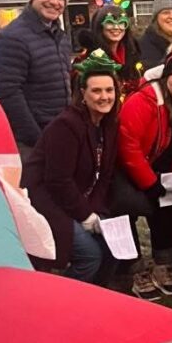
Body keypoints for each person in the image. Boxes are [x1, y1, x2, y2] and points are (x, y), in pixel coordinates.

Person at [21, 50, 120, 283]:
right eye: (96, 90)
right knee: (89, 255)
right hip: (46, 202)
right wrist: (85, 216)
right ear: (82, 94)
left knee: (114, 246)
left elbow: (104, 175)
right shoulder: (66, 126)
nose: (104, 96)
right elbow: (58, 180)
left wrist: (95, 212)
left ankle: (98, 298)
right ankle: (63, 301)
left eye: (109, 90)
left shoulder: (109, 125)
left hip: (79, 202)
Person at [116, 47, 172, 299]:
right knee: (129, 207)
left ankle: (163, 265)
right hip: (125, 170)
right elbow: (128, 145)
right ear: (166, 77)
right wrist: (148, 182)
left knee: (167, 208)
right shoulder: (142, 101)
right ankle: (134, 268)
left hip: (162, 170)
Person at [0, 0, 73, 150]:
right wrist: (37, 139)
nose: (54, 1)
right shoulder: (12, 38)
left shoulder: (59, 36)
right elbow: (8, 94)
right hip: (30, 141)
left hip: (60, 131)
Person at [74, 0, 143, 97]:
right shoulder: (89, 58)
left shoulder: (133, 54)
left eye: (121, 23)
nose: (116, 27)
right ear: (100, 26)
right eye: (110, 22)